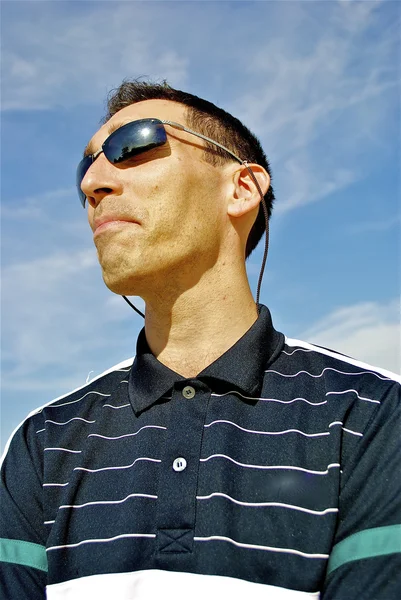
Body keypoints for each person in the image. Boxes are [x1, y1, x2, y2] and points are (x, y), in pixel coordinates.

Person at [1, 80, 400, 600]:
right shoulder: (44, 439)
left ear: (242, 188)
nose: (93, 183)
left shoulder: (371, 415)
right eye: (86, 166)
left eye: (134, 144)